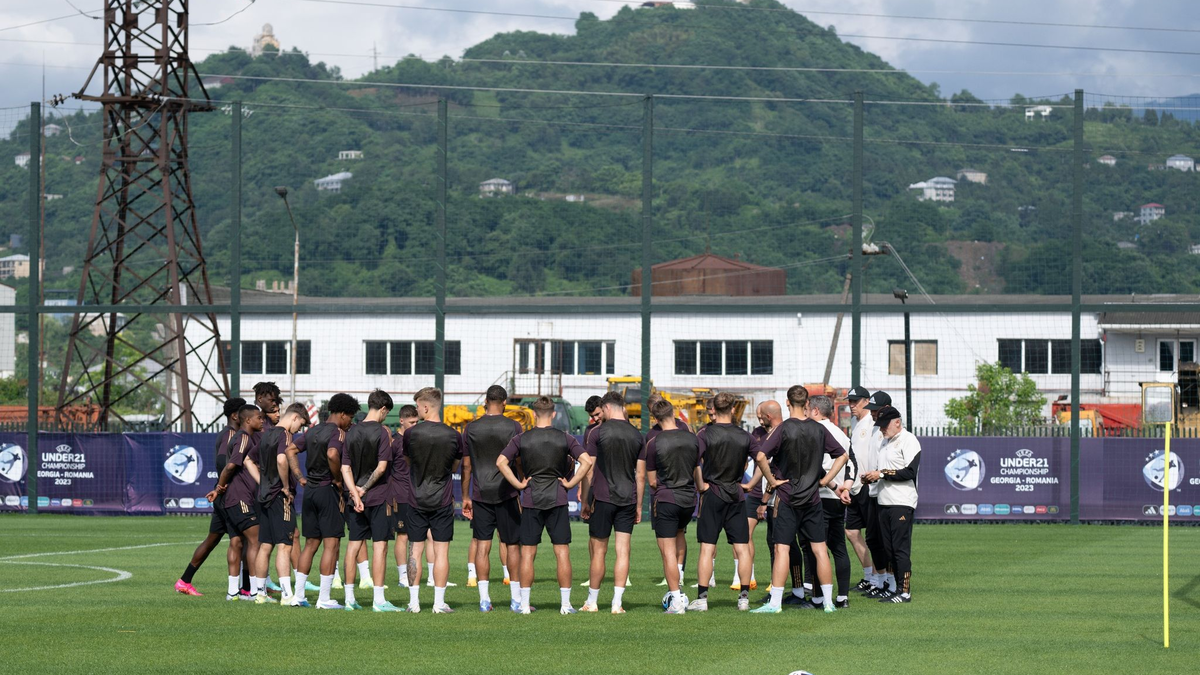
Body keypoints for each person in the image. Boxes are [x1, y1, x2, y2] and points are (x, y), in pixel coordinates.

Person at [750, 386, 848, 614]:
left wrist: (772, 482)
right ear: (807, 404)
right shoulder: (819, 429)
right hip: (812, 499)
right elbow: (842, 455)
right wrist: (826, 481)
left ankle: (775, 603)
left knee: (782, 549)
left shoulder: (783, 428)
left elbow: (761, 456)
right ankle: (828, 602)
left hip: (787, 498)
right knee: (820, 550)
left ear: (787, 403)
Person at [497, 396, 594, 615]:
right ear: (553, 414)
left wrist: (519, 484)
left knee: (528, 554)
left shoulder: (522, 438)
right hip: (557, 498)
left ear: (533, 414)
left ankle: (524, 605)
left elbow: (501, 462)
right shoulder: (565, 437)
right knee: (561, 552)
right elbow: (587, 461)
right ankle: (566, 605)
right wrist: (570, 483)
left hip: (531, 499)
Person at [288, 393, 358, 609]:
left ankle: (298, 596)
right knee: (332, 543)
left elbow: (290, 449)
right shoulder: (337, 432)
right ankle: (324, 599)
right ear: (343, 414)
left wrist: (300, 477)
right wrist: (338, 480)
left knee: (310, 543)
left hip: (309, 491)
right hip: (328, 490)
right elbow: (332, 454)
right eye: (351, 417)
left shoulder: (313, 430)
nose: (351, 423)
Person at [578, 391, 645, 614]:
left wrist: (586, 501)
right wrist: (638, 506)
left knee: (599, 552)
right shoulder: (637, 435)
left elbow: (588, 470)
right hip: (627, 499)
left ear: (606, 407)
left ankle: (592, 601)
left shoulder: (598, 433)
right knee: (623, 551)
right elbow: (641, 476)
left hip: (603, 498)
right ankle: (617, 603)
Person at [690, 392, 756, 612]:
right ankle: (744, 599)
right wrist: (751, 483)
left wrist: (701, 486)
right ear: (733, 408)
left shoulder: (705, 433)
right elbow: (763, 459)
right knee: (742, 548)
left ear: (714, 410)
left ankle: (702, 599)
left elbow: (694, 462)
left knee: (707, 548)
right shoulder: (744, 435)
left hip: (713, 494)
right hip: (736, 494)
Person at [175, 397, 247, 597]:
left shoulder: (229, 433)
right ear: (235, 415)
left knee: (212, 541)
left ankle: (184, 580)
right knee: (239, 540)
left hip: (222, 494)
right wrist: (227, 483)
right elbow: (223, 461)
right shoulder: (231, 434)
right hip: (228, 495)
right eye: (243, 413)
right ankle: (242, 589)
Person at [461, 385, 524, 612]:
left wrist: (466, 495)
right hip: (507, 493)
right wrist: (522, 482)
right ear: (504, 402)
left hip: (480, 494)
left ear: (486, 401)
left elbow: (466, 466)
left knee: (482, 546)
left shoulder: (471, 428)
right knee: (512, 546)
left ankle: (484, 600)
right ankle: (516, 600)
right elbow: (517, 461)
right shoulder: (514, 426)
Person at [403, 387, 464, 614]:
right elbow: (455, 467)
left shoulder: (411, 434)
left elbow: (409, 461)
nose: (417, 410)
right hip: (442, 500)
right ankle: (439, 603)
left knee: (415, 551)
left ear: (426, 407)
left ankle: (414, 603)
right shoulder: (454, 436)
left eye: (418, 406)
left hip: (416, 499)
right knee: (441, 552)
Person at [340, 390, 400, 612]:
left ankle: (349, 599)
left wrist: (355, 494)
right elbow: (382, 467)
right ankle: (378, 600)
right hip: (378, 497)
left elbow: (345, 468)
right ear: (383, 409)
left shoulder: (351, 432)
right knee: (380, 547)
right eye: (387, 412)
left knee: (353, 545)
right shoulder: (383, 432)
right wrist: (364, 489)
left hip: (355, 500)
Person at [643, 398, 698, 614]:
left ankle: (677, 600)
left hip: (667, 498)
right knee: (679, 539)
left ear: (655, 419)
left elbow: (652, 481)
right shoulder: (692, 438)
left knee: (667, 553)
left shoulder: (653, 442)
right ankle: (679, 589)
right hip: (688, 500)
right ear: (673, 413)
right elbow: (696, 469)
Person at [860, 405, 920, 604]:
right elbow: (883, 471)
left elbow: (910, 472)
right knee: (889, 548)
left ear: (897, 422)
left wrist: (882, 474)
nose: (882, 429)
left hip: (902, 502)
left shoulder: (909, 440)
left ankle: (905, 592)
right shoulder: (885, 443)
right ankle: (895, 588)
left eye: (885, 425)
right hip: (884, 501)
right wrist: (872, 477)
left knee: (900, 549)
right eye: (880, 425)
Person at [206, 405, 265, 600]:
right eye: (259, 417)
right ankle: (256, 591)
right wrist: (219, 487)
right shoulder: (243, 438)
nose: (262, 420)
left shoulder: (241, 437)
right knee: (256, 540)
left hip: (232, 497)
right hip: (240, 497)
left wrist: (219, 489)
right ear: (248, 420)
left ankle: (233, 591)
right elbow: (231, 465)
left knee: (237, 542)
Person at [254, 402, 309, 605]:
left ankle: (260, 593)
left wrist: (262, 483)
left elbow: (250, 461)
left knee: (265, 545)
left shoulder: (266, 434)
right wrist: (286, 486)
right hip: (279, 495)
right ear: (294, 418)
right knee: (285, 545)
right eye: (300, 424)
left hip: (265, 494)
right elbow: (281, 459)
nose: (299, 430)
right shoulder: (285, 435)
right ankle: (287, 595)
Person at [802, 395, 853, 609]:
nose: (803, 414)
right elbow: (851, 465)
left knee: (816, 549)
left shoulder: (813, 431)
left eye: (806, 409)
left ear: (815, 411)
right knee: (839, 548)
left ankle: (818, 598)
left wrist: (826, 482)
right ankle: (842, 597)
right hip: (838, 498)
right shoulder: (842, 435)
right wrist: (845, 488)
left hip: (819, 497)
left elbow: (815, 466)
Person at [842, 386, 877, 593]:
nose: (851, 405)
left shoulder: (873, 422)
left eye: (855, 401)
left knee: (873, 535)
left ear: (866, 401)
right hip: (855, 486)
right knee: (852, 531)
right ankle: (869, 576)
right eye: (850, 401)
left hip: (867, 485)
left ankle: (882, 578)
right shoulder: (856, 423)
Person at [862, 390, 894, 598]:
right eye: (871, 410)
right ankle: (882, 581)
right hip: (872, 491)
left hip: (887, 493)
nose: (872, 413)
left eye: (875, 409)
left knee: (886, 541)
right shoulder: (875, 431)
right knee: (873, 539)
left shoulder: (892, 432)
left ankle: (891, 583)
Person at [389, 404, 418, 591]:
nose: (415, 425)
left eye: (417, 422)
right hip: (399, 495)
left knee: (419, 536)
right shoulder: (393, 442)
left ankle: (427, 575)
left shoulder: (415, 440)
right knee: (403, 535)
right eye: (412, 422)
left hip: (416, 494)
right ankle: (402, 576)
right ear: (402, 421)